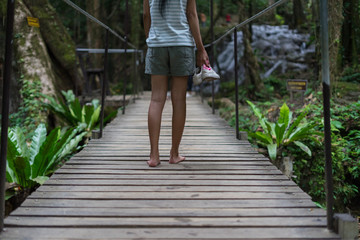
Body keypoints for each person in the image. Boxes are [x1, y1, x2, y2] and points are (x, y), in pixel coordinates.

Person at [143, 0, 209, 167]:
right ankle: (174, 154)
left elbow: (146, 16)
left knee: (156, 99)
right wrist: (201, 48)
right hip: (182, 44)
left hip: (157, 45)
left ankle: (154, 156)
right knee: (178, 99)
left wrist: (150, 39)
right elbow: (192, 15)